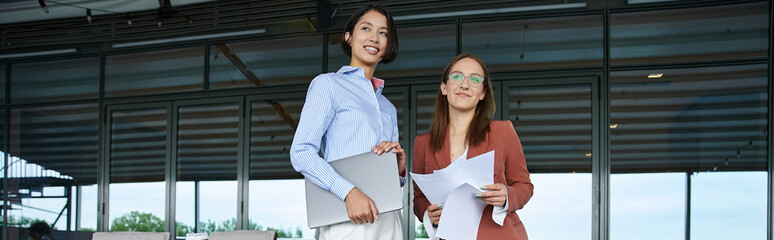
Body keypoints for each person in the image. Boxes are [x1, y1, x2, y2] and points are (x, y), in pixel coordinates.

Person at [289, 3, 404, 240]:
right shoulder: (328, 85)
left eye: (383, 33)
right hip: (347, 218)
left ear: (386, 46)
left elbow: (388, 179)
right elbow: (301, 152)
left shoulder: (387, 108)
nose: (375, 37)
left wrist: (399, 169)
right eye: (366, 28)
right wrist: (348, 192)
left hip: (389, 220)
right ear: (349, 37)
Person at [412, 53, 533, 239]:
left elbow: (524, 186)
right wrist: (427, 213)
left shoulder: (503, 132)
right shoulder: (423, 144)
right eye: (457, 77)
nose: (465, 84)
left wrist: (506, 195)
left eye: (475, 79)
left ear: (483, 93)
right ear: (444, 87)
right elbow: (419, 198)